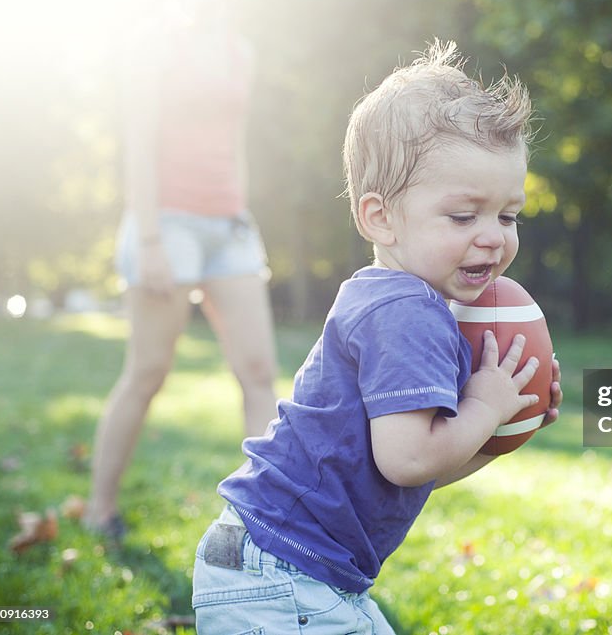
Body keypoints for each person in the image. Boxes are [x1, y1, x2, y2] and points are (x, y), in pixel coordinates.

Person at [191, 40, 562, 634]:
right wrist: (484, 407)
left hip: (283, 561)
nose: (493, 236)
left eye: (508, 216)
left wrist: (494, 434)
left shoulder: (403, 301)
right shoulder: (405, 311)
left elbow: (408, 473)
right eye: (464, 216)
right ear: (380, 217)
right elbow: (410, 460)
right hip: (281, 570)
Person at [84, 0, 278, 541]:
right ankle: (99, 509)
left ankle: (268, 519)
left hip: (228, 227)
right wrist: (148, 241)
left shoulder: (242, 52)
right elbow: (138, 143)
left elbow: (236, 142)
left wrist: (241, 210)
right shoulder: (153, 46)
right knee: (147, 372)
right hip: (166, 222)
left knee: (259, 371)